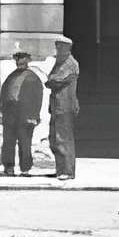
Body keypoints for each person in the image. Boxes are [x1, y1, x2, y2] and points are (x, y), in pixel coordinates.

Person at [0, 49, 46, 176]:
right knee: (8, 142)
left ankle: (25, 169)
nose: (19, 61)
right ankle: (8, 168)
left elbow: (37, 98)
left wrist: (34, 116)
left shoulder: (32, 78)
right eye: (17, 58)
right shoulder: (11, 76)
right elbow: (3, 94)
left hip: (25, 115)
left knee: (25, 142)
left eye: (22, 58)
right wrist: (0, 112)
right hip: (10, 114)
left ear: (28, 60)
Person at [45, 37, 81, 180]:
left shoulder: (70, 64)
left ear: (67, 48)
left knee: (63, 138)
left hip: (65, 106)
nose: (58, 50)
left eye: (60, 47)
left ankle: (68, 171)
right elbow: (51, 78)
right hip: (56, 105)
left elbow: (57, 81)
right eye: (57, 47)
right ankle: (60, 169)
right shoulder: (59, 63)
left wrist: (51, 81)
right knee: (54, 139)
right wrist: (50, 80)